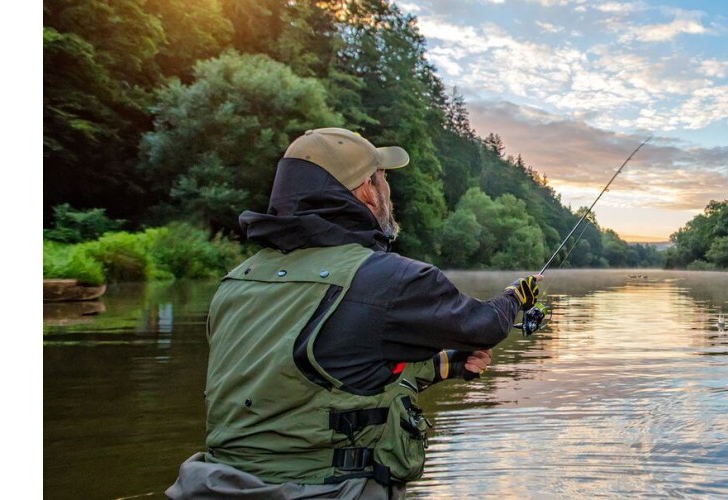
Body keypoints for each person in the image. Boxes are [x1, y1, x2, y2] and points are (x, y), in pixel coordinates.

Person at [166, 128, 542, 499]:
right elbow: (484, 327)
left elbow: (320, 370)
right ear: (366, 190)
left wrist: (448, 365)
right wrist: (513, 297)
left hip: (214, 485)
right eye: (383, 180)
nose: (388, 193)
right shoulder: (391, 279)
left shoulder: (236, 283)